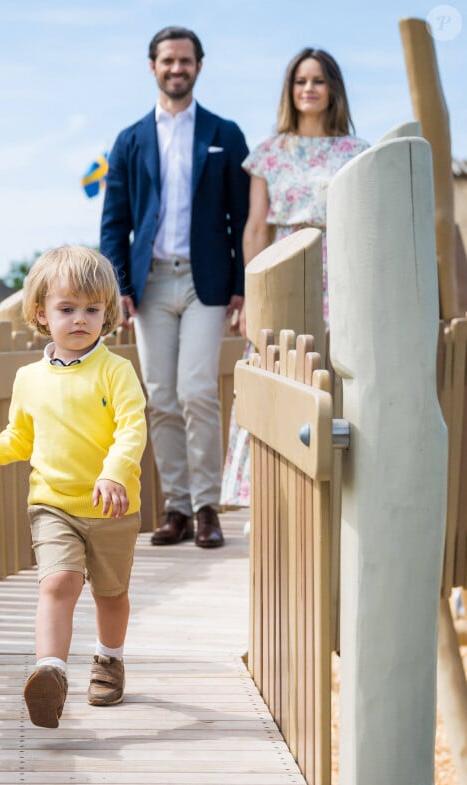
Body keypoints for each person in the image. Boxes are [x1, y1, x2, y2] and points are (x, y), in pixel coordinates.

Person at [0, 246, 147, 729]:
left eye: (92, 310)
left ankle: (109, 660)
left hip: (111, 506)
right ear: (40, 312)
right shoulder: (29, 378)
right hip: (52, 504)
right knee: (58, 583)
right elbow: (21, 436)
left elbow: (132, 428)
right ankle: (51, 671)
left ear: (107, 314)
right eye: (67, 309)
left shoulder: (116, 371)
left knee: (111, 594)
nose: (81, 320)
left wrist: (113, 472)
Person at [100, 26, 249, 549]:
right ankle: (177, 509)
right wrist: (118, 284)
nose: (176, 68)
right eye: (167, 61)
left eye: (185, 60)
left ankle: (209, 507)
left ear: (199, 67)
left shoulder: (225, 134)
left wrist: (242, 285)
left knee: (197, 390)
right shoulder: (130, 139)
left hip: (207, 281)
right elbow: (114, 221)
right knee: (159, 397)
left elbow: (244, 216)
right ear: (153, 66)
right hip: (150, 284)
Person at [221, 47, 368, 507]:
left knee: (331, 373)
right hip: (282, 269)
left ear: (333, 89)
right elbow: (255, 227)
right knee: (274, 370)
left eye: (319, 81)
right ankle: (264, 493)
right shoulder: (269, 152)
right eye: (300, 81)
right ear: (290, 90)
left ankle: (337, 491)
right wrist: (251, 293)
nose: (309, 89)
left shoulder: (357, 153)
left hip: (338, 274)